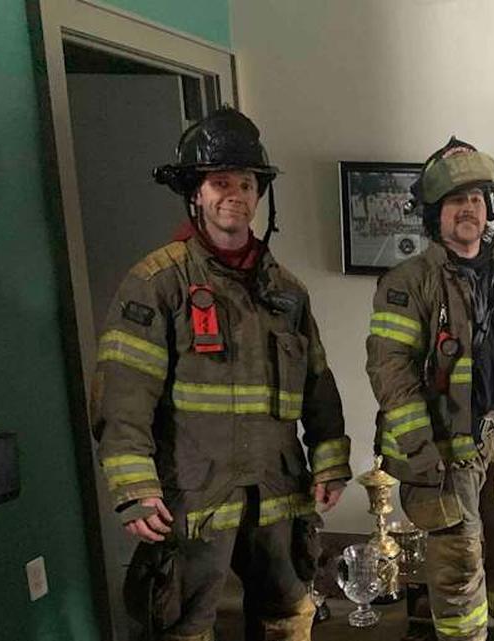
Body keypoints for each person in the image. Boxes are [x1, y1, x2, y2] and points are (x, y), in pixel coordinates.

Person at [90, 106, 352, 641]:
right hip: (193, 498)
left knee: (287, 613)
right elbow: (123, 397)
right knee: (184, 624)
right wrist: (134, 487)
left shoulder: (287, 292)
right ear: (197, 193)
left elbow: (318, 387)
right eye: (220, 181)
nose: (235, 193)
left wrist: (330, 463)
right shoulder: (158, 283)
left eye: (247, 182)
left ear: (260, 195)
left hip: (278, 491)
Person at [366, 137, 494, 641]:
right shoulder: (409, 282)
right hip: (447, 446)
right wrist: (420, 448)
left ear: (489, 210)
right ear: (435, 214)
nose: (469, 209)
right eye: (457, 200)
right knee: (461, 554)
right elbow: (390, 372)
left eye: (477, 199)